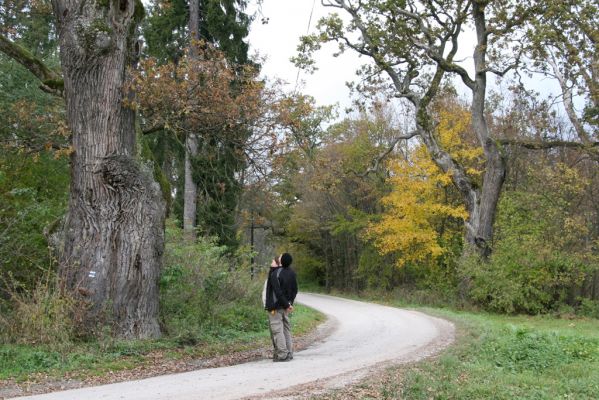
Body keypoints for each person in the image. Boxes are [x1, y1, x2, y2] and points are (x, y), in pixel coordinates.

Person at [264, 253, 298, 362]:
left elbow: (278, 292)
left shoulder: (276, 274)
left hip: (276, 307)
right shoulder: (292, 273)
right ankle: (289, 352)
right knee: (286, 329)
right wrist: (289, 303)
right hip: (285, 307)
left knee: (278, 330)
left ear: (282, 261)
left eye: (280, 257)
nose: (278, 258)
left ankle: (283, 354)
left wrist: (286, 304)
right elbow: (295, 290)